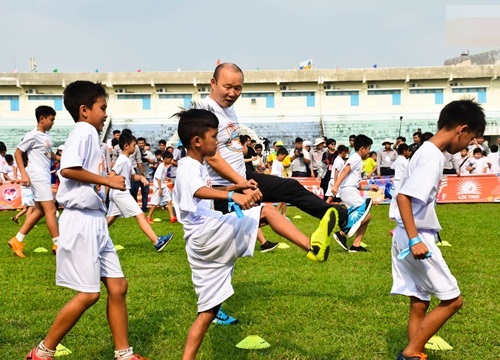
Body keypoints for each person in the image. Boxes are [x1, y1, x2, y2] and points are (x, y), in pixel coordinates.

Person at [201, 63, 370, 323]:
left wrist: (245, 169)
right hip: (223, 189)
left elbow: (229, 148)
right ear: (213, 83)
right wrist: (242, 183)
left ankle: (343, 219)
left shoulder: (228, 109)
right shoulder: (206, 112)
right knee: (225, 256)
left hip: (244, 179)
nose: (233, 92)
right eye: (227, 86)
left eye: (238, 88)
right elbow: (212, 158)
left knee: (289, 188)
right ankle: (213, 307)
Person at [172, 108, 332, 360]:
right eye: (214, 137)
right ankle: (312, 247)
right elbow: (198, 191)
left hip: (199, 243)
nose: (218, 142)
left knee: (208, 311)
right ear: (197, 141)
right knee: (267, 212)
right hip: (206, 233)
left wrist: (238, 185)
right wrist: (232, 195)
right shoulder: (189, 167)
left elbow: (206, 187)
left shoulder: (191, 165)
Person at [25, 81, 148, 360]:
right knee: (89, 294)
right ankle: (42, 352)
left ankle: (123, 353)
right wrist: (108, 181)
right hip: (80, 220)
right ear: (84, 110)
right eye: (102, 108)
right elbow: (68, 169)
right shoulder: (83, 132)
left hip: (96, 220)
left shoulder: (91, 135)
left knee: (118, 286)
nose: (105, 114)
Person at [390, 99, 486, 360]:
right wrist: (413, 239)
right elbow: (403, 198)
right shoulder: (432, 158)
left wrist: (403, 232)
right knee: (453, 300)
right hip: (417, 237)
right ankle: (411, 351)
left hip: (406, 233)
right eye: (471, 138)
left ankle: (415, 350)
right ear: (461, 129)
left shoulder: (425, 150)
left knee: (419, 299)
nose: (468, 144)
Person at [8, 105, 60, 257]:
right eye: (51, 119)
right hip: (37, 176)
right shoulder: (32, 135)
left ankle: (17, 240)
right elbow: (18, 153)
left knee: (40, 211)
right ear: (42, 119)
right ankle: (58, 243)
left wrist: (60, 158)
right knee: (51, 210)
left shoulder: (47, 136)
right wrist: (24, 174)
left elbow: (48, 154)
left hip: (43, 176)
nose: (53, 122)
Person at [107, 132, 173, 251]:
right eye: (133, 145)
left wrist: (141, 177)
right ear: (126, 146)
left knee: (111, 218)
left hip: (116, 193)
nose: (135, 147)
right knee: (140, 215)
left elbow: (133, 176)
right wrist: (117, 184)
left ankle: (94, 238)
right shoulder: (122, 160)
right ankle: (157, 241)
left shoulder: (127, 160)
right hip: (121, 192)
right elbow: (111, 175)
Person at [331, 135, 376, 252]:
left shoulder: (357, 160)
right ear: (362, 148)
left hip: (350, 190)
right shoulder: (355, 158)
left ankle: (356, 245)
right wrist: (335, 185)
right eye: (369, 149)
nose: (369, 152)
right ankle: (342, 233)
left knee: (366, 215)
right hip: (348, 191)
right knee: (365, 215)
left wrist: (369, 187)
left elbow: (355, 183)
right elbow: (345, 170)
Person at [146, 151, 177, 224]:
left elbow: (162, 176)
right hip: (158, 187)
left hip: (163, 186)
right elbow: (158, 178)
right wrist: (159, 189)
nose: (171, 161)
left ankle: (172, 217)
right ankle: (148, 217)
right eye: (170, 159)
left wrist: (166, 178)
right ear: (166, 158)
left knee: (169, 201)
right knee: (155, 203)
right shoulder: (161, 166)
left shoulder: (164, 166)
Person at [136, 137, 155, 212]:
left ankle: (144, 207)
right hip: (137, 176)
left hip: (146, 175)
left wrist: (147, 159)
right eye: (139, 143)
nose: (141, 144)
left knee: (145, 193)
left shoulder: (148, 153)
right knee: (134, 192)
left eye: (142, 143)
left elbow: (153, 161)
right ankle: (135, 208)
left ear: (144, 144)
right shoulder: (134, 152)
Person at [271, 146, 288, 216]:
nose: (284, 158)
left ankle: (284, 214)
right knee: (282, 198)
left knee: (285, 199)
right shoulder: (275, 162)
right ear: (280, 154)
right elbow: (274, 174)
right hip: (278, 182)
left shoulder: (280, 163)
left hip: (281, 181)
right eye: (284, 157)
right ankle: (277, 211)